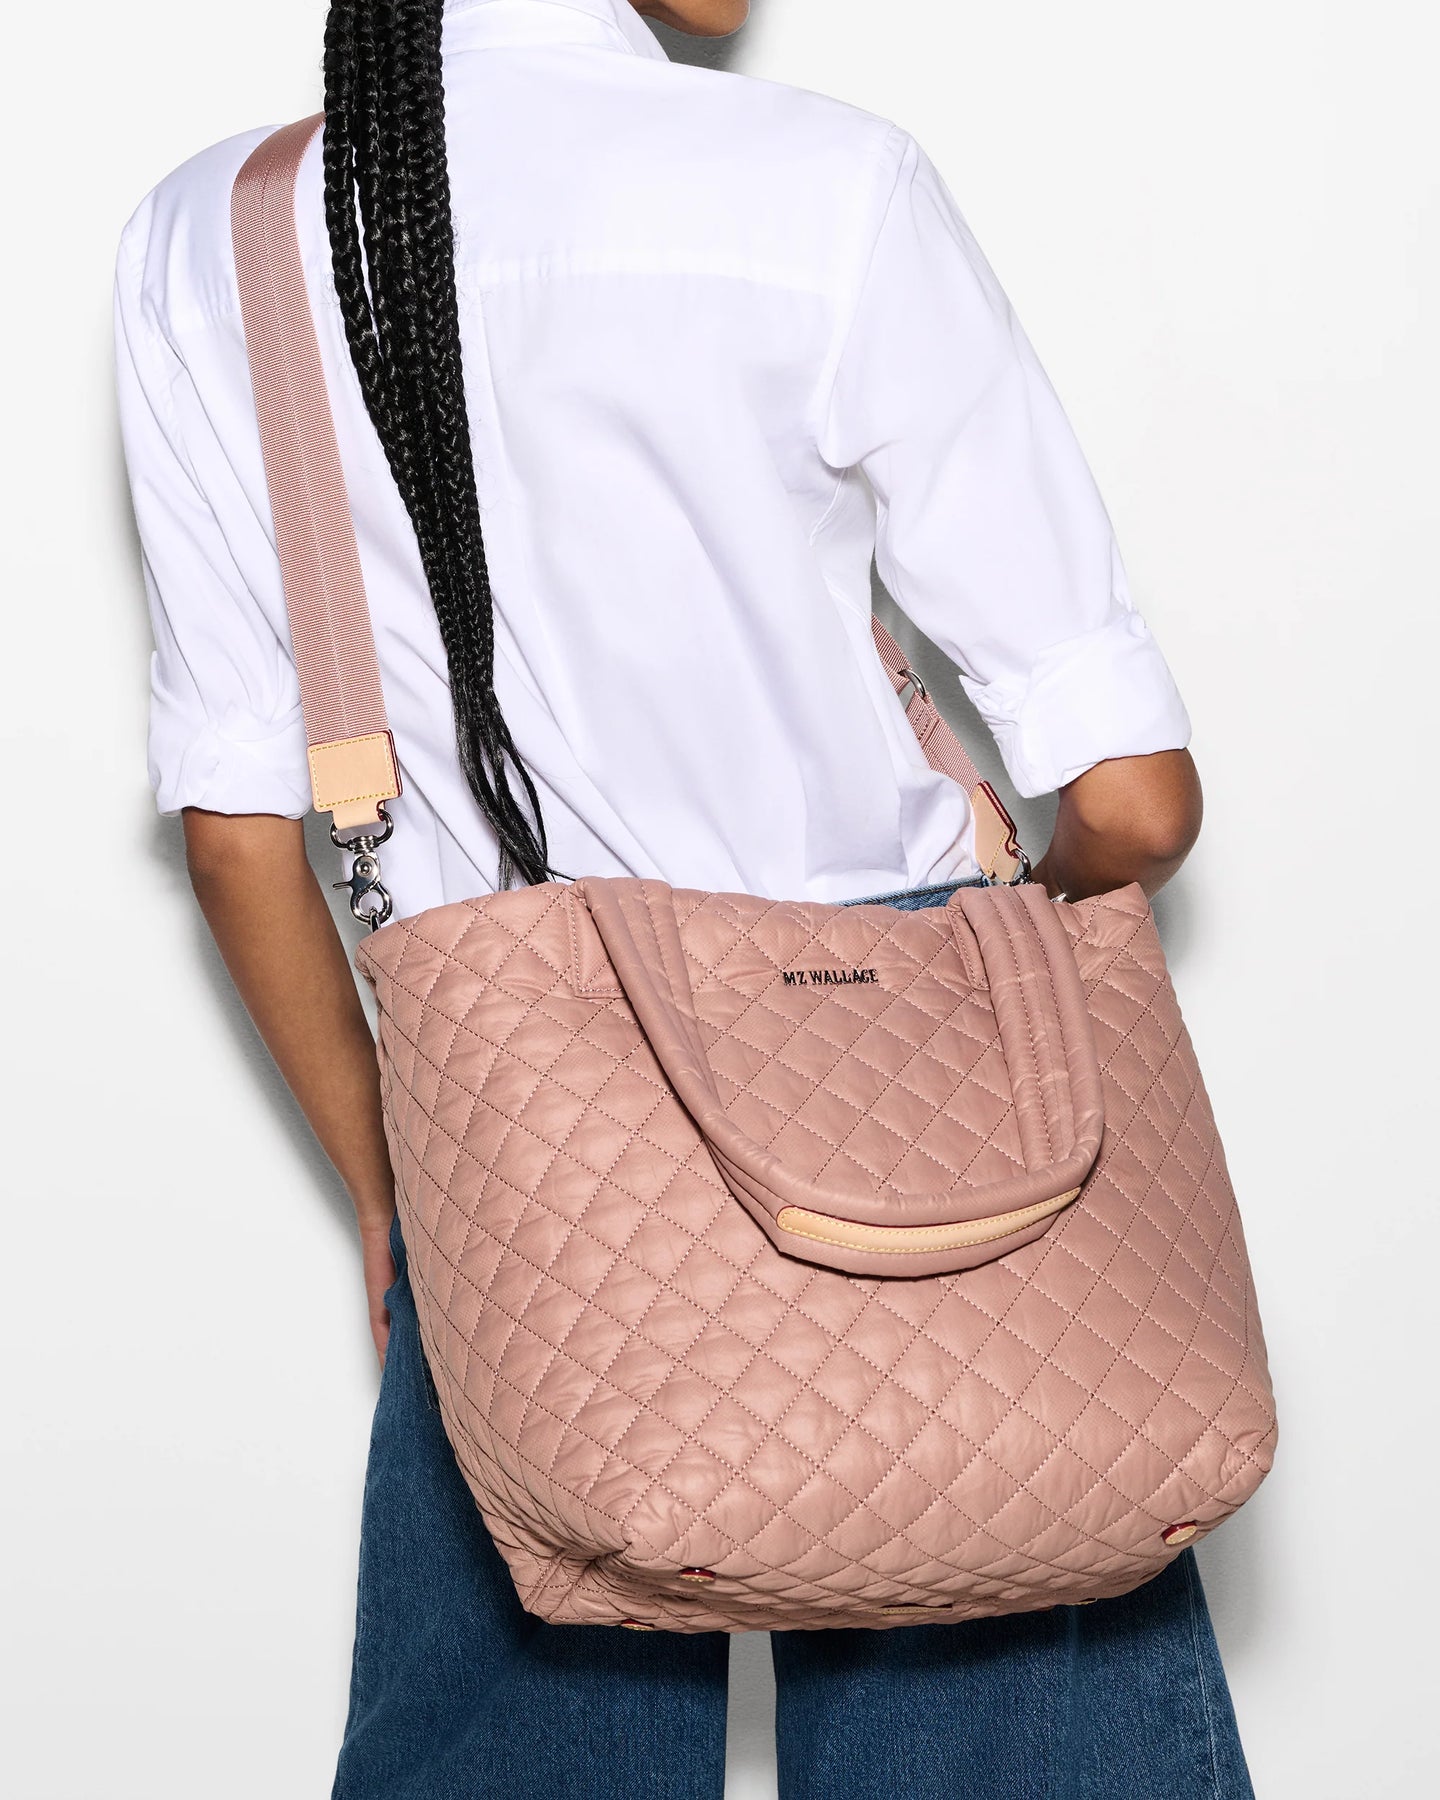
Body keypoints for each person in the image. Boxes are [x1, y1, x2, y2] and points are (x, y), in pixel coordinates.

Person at [115, 1, 1248, 1794]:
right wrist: (999, 978)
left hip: (513, 1116)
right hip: (916, 1111)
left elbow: (240, 837)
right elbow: (1135, 803)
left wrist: (398, 1184)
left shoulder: (224, 234)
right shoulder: (826, 186)